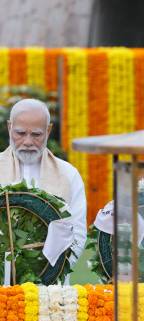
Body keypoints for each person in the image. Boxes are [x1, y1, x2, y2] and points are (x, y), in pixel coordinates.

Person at [0, 99, 86, 265]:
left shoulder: (68, 174)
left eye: (36, 134)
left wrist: (51, 273)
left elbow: (78, 234)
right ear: (10, 127)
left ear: (48, 130)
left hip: (52, 283)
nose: (28, 142)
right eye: (20, 133)